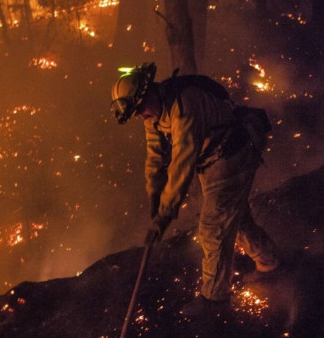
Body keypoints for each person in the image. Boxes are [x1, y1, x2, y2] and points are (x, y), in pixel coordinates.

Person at [111, 63, 280, 316]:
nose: (141, 116)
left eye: (140, 109)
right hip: (212, 161)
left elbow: (182, 165)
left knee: (213, 227)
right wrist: (155, 201)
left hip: (231, 155)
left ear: (149, 93)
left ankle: (215, 301)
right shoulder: (153, 113)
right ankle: (270, 265)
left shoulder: (185, 106)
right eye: (136, 112)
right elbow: (155, 159)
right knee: (235, 217)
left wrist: (165, 215)